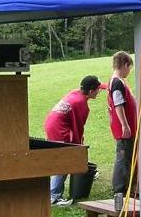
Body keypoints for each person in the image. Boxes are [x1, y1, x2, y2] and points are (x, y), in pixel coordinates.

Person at [44, 75, 103, 205]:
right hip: (60, 130)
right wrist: (78, 147)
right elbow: (78, 127)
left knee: (63, 158)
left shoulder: (76, 93)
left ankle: (52, 193)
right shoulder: (80, 104)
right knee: (65, 160)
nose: (99, 92)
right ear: (91, 91)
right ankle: (54, 196)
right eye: (98, 89)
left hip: (51, 126)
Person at [107, 51, 138, 211]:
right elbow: (118, 105)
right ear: (125, 65)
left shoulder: (117, 82)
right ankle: (119, 190)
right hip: (124, 130)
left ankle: (129, 188)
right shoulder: (117, 83)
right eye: (129, 67)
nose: (129, 71)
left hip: (126, 128)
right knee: (123, 158)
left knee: (128, 157)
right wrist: (125, 125)